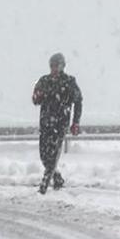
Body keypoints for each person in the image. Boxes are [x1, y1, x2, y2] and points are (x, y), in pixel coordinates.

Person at [31, 52, 82, 194]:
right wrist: (37, 96)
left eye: (56, 66)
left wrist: (75, 122)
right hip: (45, 123)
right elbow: (35, 100)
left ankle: (44, 184)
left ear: (62, 66)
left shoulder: (69, 82)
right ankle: (57, 177)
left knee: (54, 154)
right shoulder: (44, 81)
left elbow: (78, 102)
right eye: (52, 66)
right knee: (43, 155)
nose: (54, 69)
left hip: (61, 123)